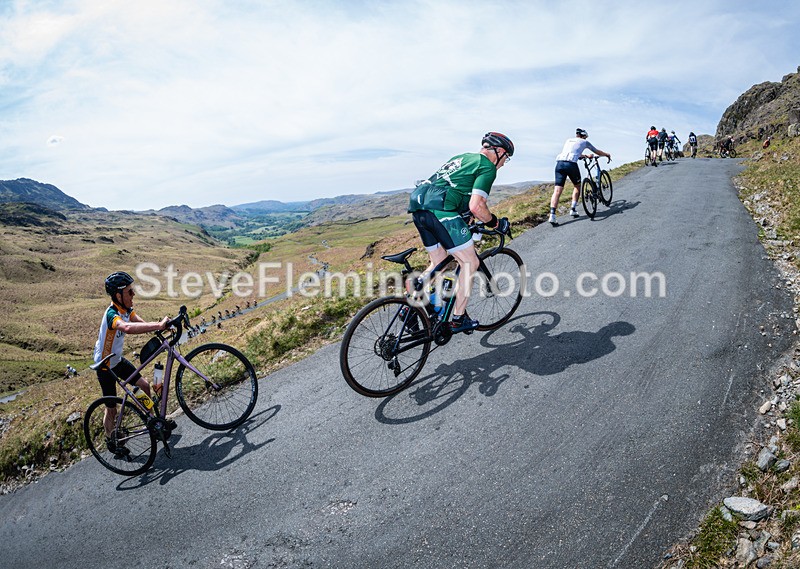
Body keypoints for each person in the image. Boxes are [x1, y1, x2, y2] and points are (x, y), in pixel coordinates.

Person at [408, 132, 513, 333]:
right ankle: (458, 318)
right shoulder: (487, 167)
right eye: (506, 158)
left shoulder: (462, 158)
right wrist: (496, 223)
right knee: (470, 262)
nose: (503, 163)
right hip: (441, 211)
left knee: (439, 261)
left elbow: (454, 189)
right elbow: (477, 206)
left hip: (419, 208)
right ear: (499, 151)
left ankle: (410, 307)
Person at [93, 271, 170, 450]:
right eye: (129, 291)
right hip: (105, 367)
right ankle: (111, 441)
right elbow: (127, 327)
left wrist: (159, 328)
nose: (133, 294)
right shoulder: (112, 314)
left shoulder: (126, 309)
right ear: (118, 295)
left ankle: (153, 423)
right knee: (111, 409)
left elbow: (137, 321)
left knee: (144, 386)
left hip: (117, 361)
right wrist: (158, 325)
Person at [548, 128, 612, 225]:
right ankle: (573, 209)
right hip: (571, 164)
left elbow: (573, 152)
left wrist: (585, 156)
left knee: (557, 191)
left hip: (559, 164)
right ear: (584, 135)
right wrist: (606, 154)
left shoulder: (568, 140)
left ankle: (552, 215)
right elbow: (597, 152)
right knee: (577, 186)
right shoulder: (585, 142)